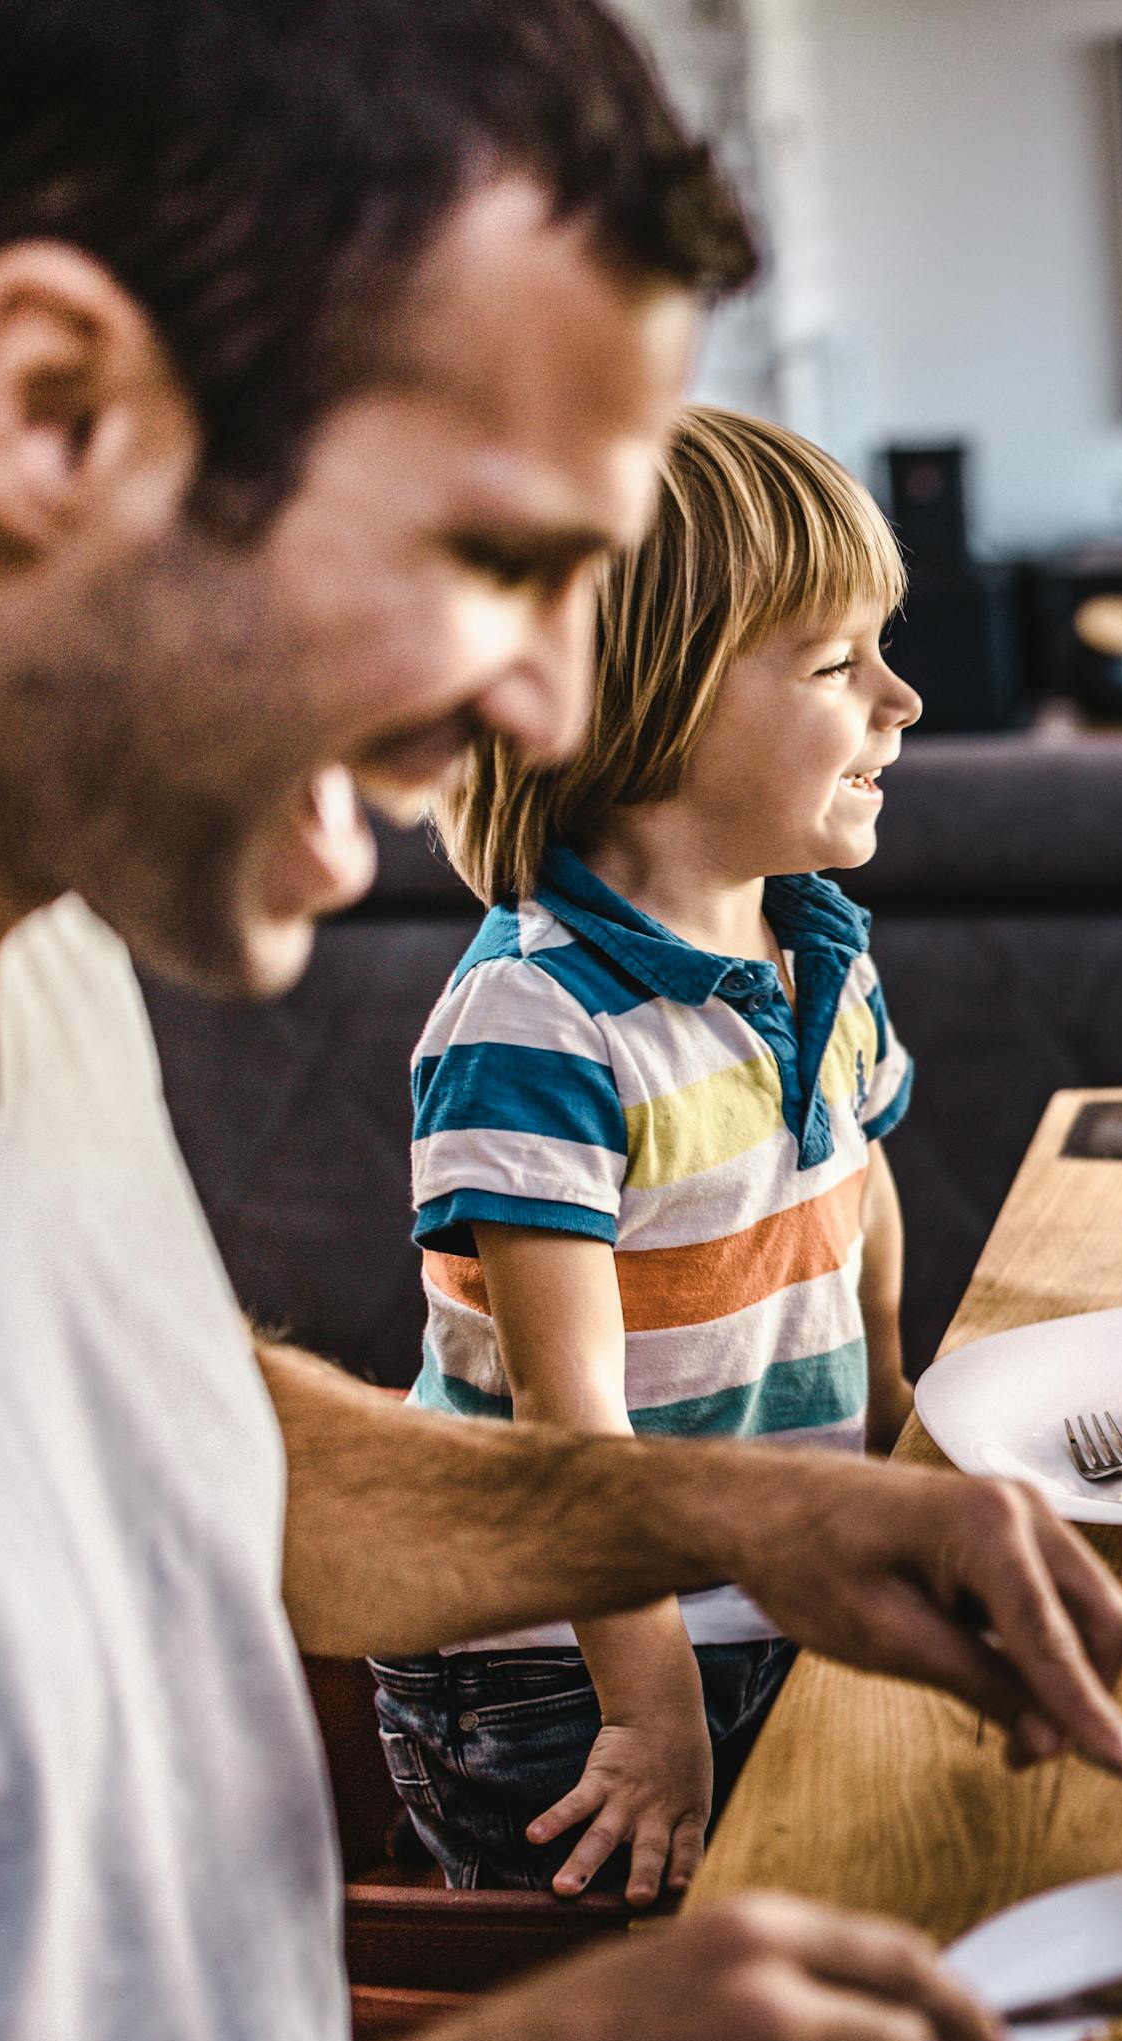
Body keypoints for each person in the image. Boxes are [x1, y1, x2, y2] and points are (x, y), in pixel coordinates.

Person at [0, 3, 1122, 2041]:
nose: (540, 696)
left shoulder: (40, 950)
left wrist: (747, 1511)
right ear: (50, 411)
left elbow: (194, 1449)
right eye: (497, 554)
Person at [376, 405, 924, 1903]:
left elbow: (853, 1189)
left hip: (763, 1592)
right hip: (566, 1668)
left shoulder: (814, 943)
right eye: (834, 666)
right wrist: (649, 1703)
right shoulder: (537, 1018)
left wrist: (890, 1421)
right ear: (647, 704)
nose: (904, 699)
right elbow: (570, 1415)